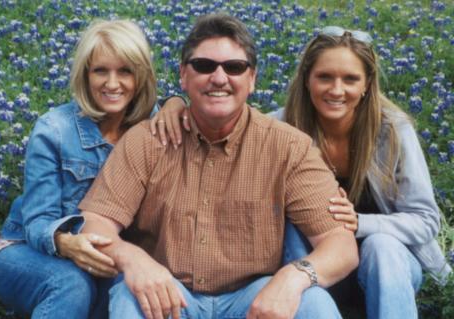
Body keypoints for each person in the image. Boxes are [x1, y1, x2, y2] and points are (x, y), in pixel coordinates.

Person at [155, 25, 452, 318]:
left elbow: (426, 221)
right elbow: (229, 115)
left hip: (386, 271)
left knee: (381, 246)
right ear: (307, 79)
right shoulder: (281, 128)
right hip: (311, 265)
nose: (337, 89)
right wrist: (175, 103)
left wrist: (359, 224)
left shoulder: (392, 131)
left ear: (367, 84)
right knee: (294, 222)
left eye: (350, 79)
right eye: (325, 77)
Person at [79, 13, 358, 319]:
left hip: (254, 298)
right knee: (129, 298)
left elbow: (340, 245)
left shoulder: (289, 147)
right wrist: (132, 258)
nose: (219, 78)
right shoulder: (147, 140)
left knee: (314, 303)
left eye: (234, 67)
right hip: (170, 294)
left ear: (252, 79)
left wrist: (293, 278)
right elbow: (95, 222)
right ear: (183, 75)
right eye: (204, 65)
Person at [0, 19, 186, 319]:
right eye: (100, 71)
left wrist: (177, 103)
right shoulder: (54, 129)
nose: (112, 83)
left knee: (145, 289)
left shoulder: (153, 127)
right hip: (27, 250)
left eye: (125, 71)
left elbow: (190, 113)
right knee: (71, 284)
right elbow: (38, 221)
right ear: (85, 74)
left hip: (105, 257)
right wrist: (66, 243)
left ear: (141, 75)